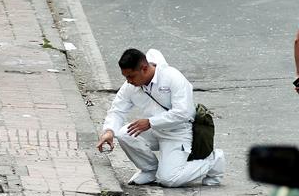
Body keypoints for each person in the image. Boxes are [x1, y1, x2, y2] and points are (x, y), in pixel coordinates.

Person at [96, 48, 225, 187]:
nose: (128, 81)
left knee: (169, 179)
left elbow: (183, 112)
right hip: (154, 129)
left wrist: (151, 122)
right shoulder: (130, 86)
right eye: (125, 77)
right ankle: (150, 169)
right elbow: (117, 110)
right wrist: (109, 131)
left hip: (178, 132)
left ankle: (213, 160)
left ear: (144, 69)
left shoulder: (173, 77)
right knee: (123, 134)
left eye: (131, 76)